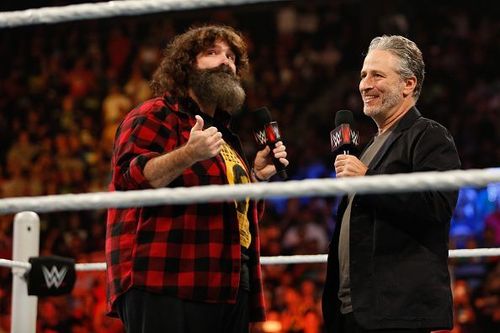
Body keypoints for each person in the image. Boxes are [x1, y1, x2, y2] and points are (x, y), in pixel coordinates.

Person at [105, 25, 288, 333]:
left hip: (228, 282)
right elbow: (128, 179)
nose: (225, 62)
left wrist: (257, 176)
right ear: (186, 65)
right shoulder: (154, 114)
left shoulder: (226, 139)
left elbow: (243, 217)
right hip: (167, 275)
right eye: (212, 53)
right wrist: (188, 154)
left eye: (231, 57)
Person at [322, 35, 461, 333]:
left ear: (408, 84)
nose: (364, 84)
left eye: (377, 75)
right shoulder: (371, 145)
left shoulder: (429, 135)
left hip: (396, 312)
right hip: (355, 310)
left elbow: (437, 205)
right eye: (362, 75)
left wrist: (368, 181)